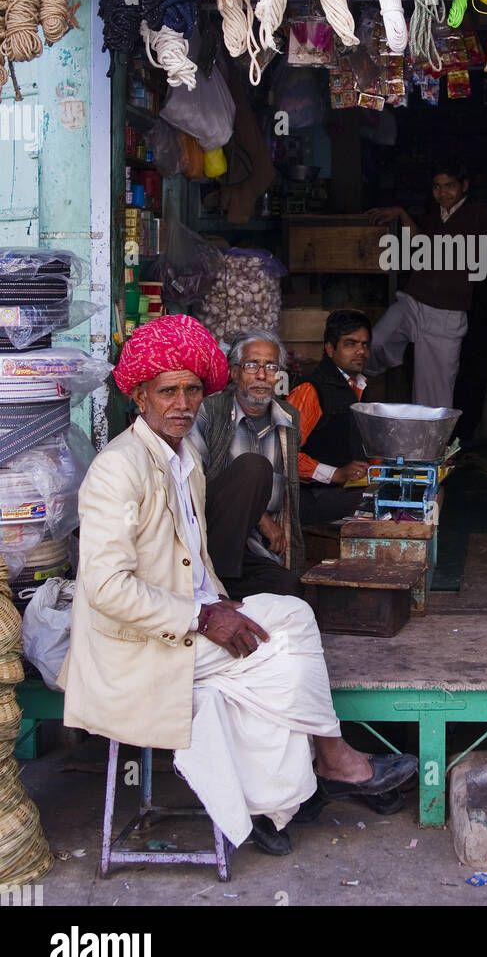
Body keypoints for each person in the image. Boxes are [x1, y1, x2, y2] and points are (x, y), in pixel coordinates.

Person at [58, 314, 418, 857]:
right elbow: (106, 588)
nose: (182, 403)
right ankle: (326, 765)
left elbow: (192, 555)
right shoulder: (118, 469)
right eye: (168, 392)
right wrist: (202, 616)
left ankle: (284, 798)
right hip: (136, 649)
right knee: (277, 658)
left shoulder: (188, 458)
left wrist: (219, 600)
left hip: (186, 617)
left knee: (289, 617)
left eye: (192, 390)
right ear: (140, 398)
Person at [365, 157, 487, 408]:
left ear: (464, 185)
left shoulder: (478, 216)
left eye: (449, 186)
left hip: (446, 317)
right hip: (413, 302)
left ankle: (433, 447)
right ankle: (357, 384)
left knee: (434, 399)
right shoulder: (433, 214)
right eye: (437, 187)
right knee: (373, 342)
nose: (443, 193)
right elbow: (422, 246)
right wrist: (402, 214)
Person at [191, 328, 304, 600]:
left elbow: (290, 491)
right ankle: (213, 582)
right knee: (254, 467)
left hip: (253, 548)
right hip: (212, 537)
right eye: (252, 365)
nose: (262, 375)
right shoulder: (210, 411)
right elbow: (191, 482)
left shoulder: (288, 418)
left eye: (271, 367)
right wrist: (261, 518)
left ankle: (222, 590)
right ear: (234, 373)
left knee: (291, 591)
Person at [288, 309, 372, 526]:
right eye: (350, 343)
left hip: (343, 491)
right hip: (314, 496)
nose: (360, 351)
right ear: (330, 348)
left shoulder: (359, 387)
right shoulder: (311, 390)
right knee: (383, 502)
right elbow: (285, 454)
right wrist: (336, 474)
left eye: (364, 344)